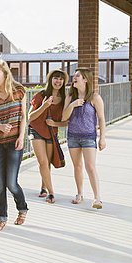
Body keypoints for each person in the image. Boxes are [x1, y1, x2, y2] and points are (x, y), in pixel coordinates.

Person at [0, 60, 28, 231]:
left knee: (11, 183)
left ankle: (22, 207)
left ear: (5, 74)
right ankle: (1, 217)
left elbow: (23, 116)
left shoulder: (19, 91)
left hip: (15, 142)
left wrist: (21, 136)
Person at [61, 68, 106, 209]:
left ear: (85, 79)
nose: (74, 78)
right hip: (73, 136)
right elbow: (64, 117)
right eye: (74, 76)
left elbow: (101, 118)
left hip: (88, 137)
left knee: (90, 167)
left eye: (77, 76)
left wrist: (102, 138)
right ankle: (79, 193)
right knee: (77, 166)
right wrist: (73, 104)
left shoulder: (94, 98)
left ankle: (97, 198)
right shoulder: (70, 97)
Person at [28, 69, 69, 204]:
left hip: (51, 132)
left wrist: (54, 123)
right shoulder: (41, 95)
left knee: (48, 162)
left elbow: (67, 122)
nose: (58, 81)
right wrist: (44, 106)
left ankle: (43, 186)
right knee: (42, 162)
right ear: (50, 80)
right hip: (36, 130)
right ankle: (51, 193)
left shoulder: (64, 100)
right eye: (55, 78)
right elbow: (30, 117)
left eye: (61, 79)